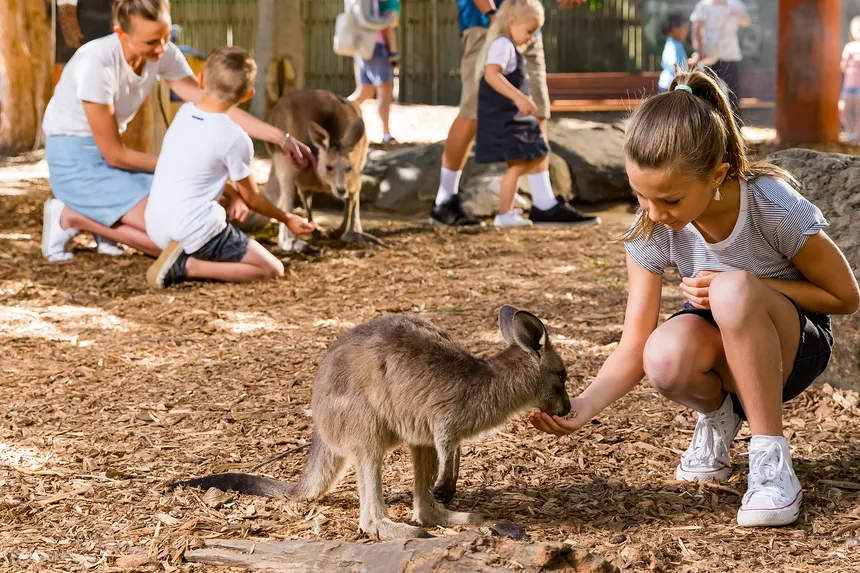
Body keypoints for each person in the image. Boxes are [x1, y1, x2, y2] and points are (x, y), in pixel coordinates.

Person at [530, 70, 860, 527]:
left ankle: (771, 464)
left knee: (731, 287)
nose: (654, 213)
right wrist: (582, 407)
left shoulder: (769, 204)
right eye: (640, 196)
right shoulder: (651, 227)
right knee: (662, 355)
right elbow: (633, 346)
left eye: (670, 200)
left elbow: (844, 297)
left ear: (718, 175)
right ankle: (720, 416)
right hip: (719, 336)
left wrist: (750, 282)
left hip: (792, 346)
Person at [41, 0, 313, 262]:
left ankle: (106, 218)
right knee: (172, 243)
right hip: (74, 160)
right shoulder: (96, 63)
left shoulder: (164, 52)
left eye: (165, 36)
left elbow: (216, 104)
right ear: (120, 33)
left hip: (115, 162)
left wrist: (280, 137)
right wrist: (181, 167)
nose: (161, 48)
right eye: (151, 42)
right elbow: (114, 154)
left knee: (183, 221)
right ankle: (70, 215)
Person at [144, 47, 316, 288]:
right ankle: (185, 267)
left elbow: (199, 174)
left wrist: (234, 197)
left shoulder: (184, 112)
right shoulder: (235, 138)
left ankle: (182, 256)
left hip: (155, 223)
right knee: (271, 268)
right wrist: (287, 219)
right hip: (191, 231)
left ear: (201, 79)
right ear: (248, 95)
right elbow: (253, 199)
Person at [430, 0, 597, 227]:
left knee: (536, 107)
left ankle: (544, 202)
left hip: (525, 25)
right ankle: (445, 199)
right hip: (486, 23)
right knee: (474, 110)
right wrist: (492, 14)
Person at [475, 0, 548, 227]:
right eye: (529, 31)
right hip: (504, 121)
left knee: (528, 159)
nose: (532, 37)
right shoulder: (503, 46)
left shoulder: (511, 47)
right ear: (511, 21)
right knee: (518, 164)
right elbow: (491, 74)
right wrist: (519, 97)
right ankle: (504, 214)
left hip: (512, 119)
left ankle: (505, 188)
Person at [348, 0, 399, 144]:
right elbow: (389, 25)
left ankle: (336, 111)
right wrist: (393, 53)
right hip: (375, 46)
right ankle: (386, 133)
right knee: (385, 90)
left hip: (361, 46)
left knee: (365, 91)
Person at [689, 0, 749, 115]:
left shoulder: (735, 4)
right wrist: (699, 51)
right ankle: (710, 122)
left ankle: (735, 125)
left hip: (730, 55)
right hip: (709, 57)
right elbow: (696, 30)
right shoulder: (703, 6)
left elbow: (746, 21)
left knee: (733, 92)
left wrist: (736, 14)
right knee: (708, 91)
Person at [840, 16, 860, 142]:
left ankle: (857, 136)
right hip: (848, 84)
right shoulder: (849, 46)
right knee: (844, 110)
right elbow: (842, 66)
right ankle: (851, 133)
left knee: (859, 111)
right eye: (857, 29)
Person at [657, 13, 688, 93]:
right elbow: (674, 66)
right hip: (670, 86)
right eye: (684, 28)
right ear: (674, 29)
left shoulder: (676, 44)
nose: (686, 32)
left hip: (670, 85)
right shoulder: (672, 46)